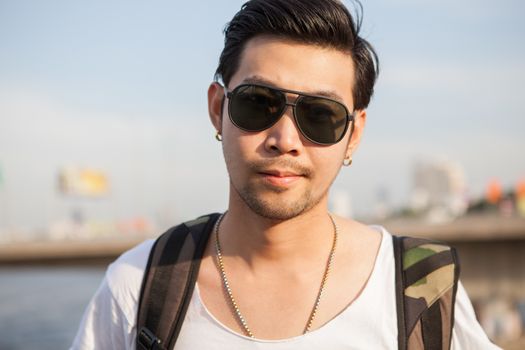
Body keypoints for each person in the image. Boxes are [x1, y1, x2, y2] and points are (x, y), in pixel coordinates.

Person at [71, 0, 499, 349]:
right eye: (258, 103)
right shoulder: (139, 286)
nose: (284, 138)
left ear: (354, 134)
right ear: (218, 109)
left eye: (320, 115)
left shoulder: (420, 291)